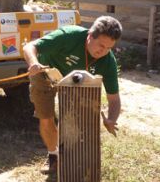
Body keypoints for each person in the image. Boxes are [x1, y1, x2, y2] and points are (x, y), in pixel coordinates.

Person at [22, 16, 123, 173]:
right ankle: (53, 156)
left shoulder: (108, 61)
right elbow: (30, 47)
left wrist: (111, 119)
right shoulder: (68, 36)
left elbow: (114, 99)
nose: (102, 52)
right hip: (44, 73)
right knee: (46, 117)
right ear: (90, 35)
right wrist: (33, 63)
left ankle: (72, 156)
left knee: (76, 118)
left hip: (75, 82)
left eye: (108, 48)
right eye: (101, 45)